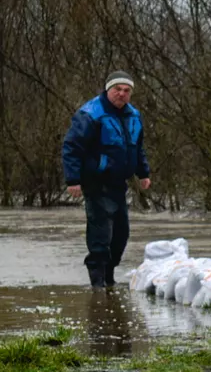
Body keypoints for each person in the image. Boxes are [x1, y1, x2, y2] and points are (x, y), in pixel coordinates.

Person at [62, 71, 152, 288]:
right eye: (117, 90)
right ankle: (98, 284)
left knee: (121, 235)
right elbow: (71, 147)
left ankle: (109, 278)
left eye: (126, 91)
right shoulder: (91, 113)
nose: (121, 94)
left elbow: (136, 148)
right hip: (95, 181)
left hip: (119, 183)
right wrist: (73, 179)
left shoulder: (134, 116)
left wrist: (143, 173)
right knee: (101, 234)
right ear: (108, 90)